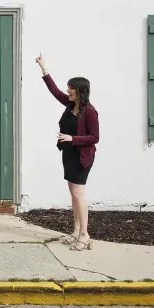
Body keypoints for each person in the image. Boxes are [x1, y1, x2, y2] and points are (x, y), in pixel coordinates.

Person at [36, 53, 99, 252]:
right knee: (73, 193)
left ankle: (85, 235)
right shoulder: (71, 104)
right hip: (69, 154)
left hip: (83, 157)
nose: (67, 90)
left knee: (79, 194)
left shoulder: (89, 111)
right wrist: (44, 69)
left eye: (71, 88)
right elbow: (54, 91)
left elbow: (94, 137)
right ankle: (76, 230)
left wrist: (73, 139)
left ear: (80, 91)